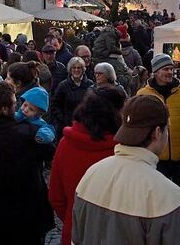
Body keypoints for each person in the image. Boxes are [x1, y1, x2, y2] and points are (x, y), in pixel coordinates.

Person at [72, 95, 180, 244]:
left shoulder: (91, 174)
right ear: (158, 132)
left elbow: (76, 239)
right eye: (166, 129)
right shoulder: (168, 196)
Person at [0, 82, 55, 245]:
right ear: (4, 109)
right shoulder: (28, 134)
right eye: (15, 103)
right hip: (27, 214)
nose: (19, 107)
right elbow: (51, 153)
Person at [49, 88, 126, 245]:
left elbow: (56, 196)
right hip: (114, 234)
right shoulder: (121, 150)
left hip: (75, 231)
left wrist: (73, 218)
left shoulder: (65, 144)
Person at [137, 53, 180, 195]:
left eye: (171, 68)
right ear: (156, 72)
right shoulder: (143, 94)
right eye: (166, 69)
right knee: (158, 196)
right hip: (156, 157)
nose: (170, 72)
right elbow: (139, 125)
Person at [50, 57, 94, 137]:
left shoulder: (90, 85)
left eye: (79, 68)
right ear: (70, 69)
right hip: (67, 126)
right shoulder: (63, 85)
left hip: (85, 126)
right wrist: (62, 120)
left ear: (83, 69)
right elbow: (55, 104)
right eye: (74, 67)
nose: (76, 70)